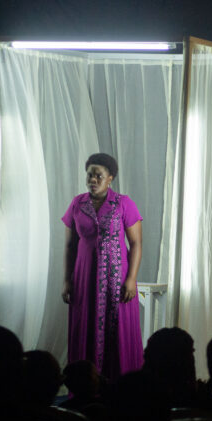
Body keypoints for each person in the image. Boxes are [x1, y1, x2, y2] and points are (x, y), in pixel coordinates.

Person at [62, 153, 144, 381]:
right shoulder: (77, 204)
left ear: (110, 178)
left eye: (99, 175)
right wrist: (67, 280)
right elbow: (70, 245)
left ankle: (121, 388)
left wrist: (131, 279)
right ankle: (85, 387)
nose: (93, 180)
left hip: (117, 278)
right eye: (90, 175)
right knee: (85, 328)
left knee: (118, 332)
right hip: (84, 277)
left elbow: (136, 244)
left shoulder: (124, 203)